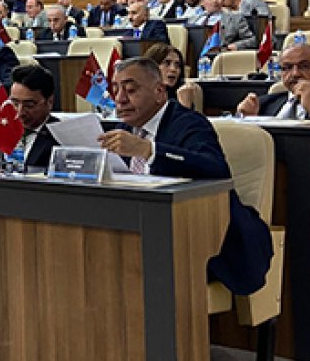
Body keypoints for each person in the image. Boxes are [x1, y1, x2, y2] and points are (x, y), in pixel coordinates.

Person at [99, 57, 272, 295]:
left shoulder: (189, 123)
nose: (120, 99)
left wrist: (150, 150)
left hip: (205, 239)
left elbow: (216, 168)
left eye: (130, 90)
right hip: (144, 231)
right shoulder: (124, 129)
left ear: (159, 92)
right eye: (115, 89)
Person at [8, 64, 59, 167]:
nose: (20, 112)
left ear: (49, 102)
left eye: (29, 105)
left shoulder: (59, 137)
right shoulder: (1, 129)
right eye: (15, 103)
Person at [191, 0, 256, 51]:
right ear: (202, 2)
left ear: (222, 1)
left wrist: (236, 45)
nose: (215, 1)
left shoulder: (235, 18)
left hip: (221, 53)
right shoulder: (193, 19)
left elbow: (252, 40)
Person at [143, 42, 194, 109]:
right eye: (167, 63)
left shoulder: (183, 94)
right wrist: (184, 106)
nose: (173, 69)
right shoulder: (140, 97)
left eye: (177, 65)